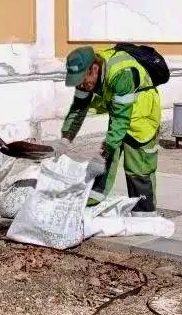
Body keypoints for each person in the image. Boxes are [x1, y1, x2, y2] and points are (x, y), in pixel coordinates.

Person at [60, 45, 161, 212]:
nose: (81, 85)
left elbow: (121, 119)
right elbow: (78, 108)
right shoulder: (86, 74)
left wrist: (105, 151)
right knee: (106, 161)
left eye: (82, 80)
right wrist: (65, 138)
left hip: (142, 118)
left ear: (93, 69)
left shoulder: (121, 74)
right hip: (120, 112)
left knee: (138, 169)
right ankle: (91, 204)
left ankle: (145, 214)